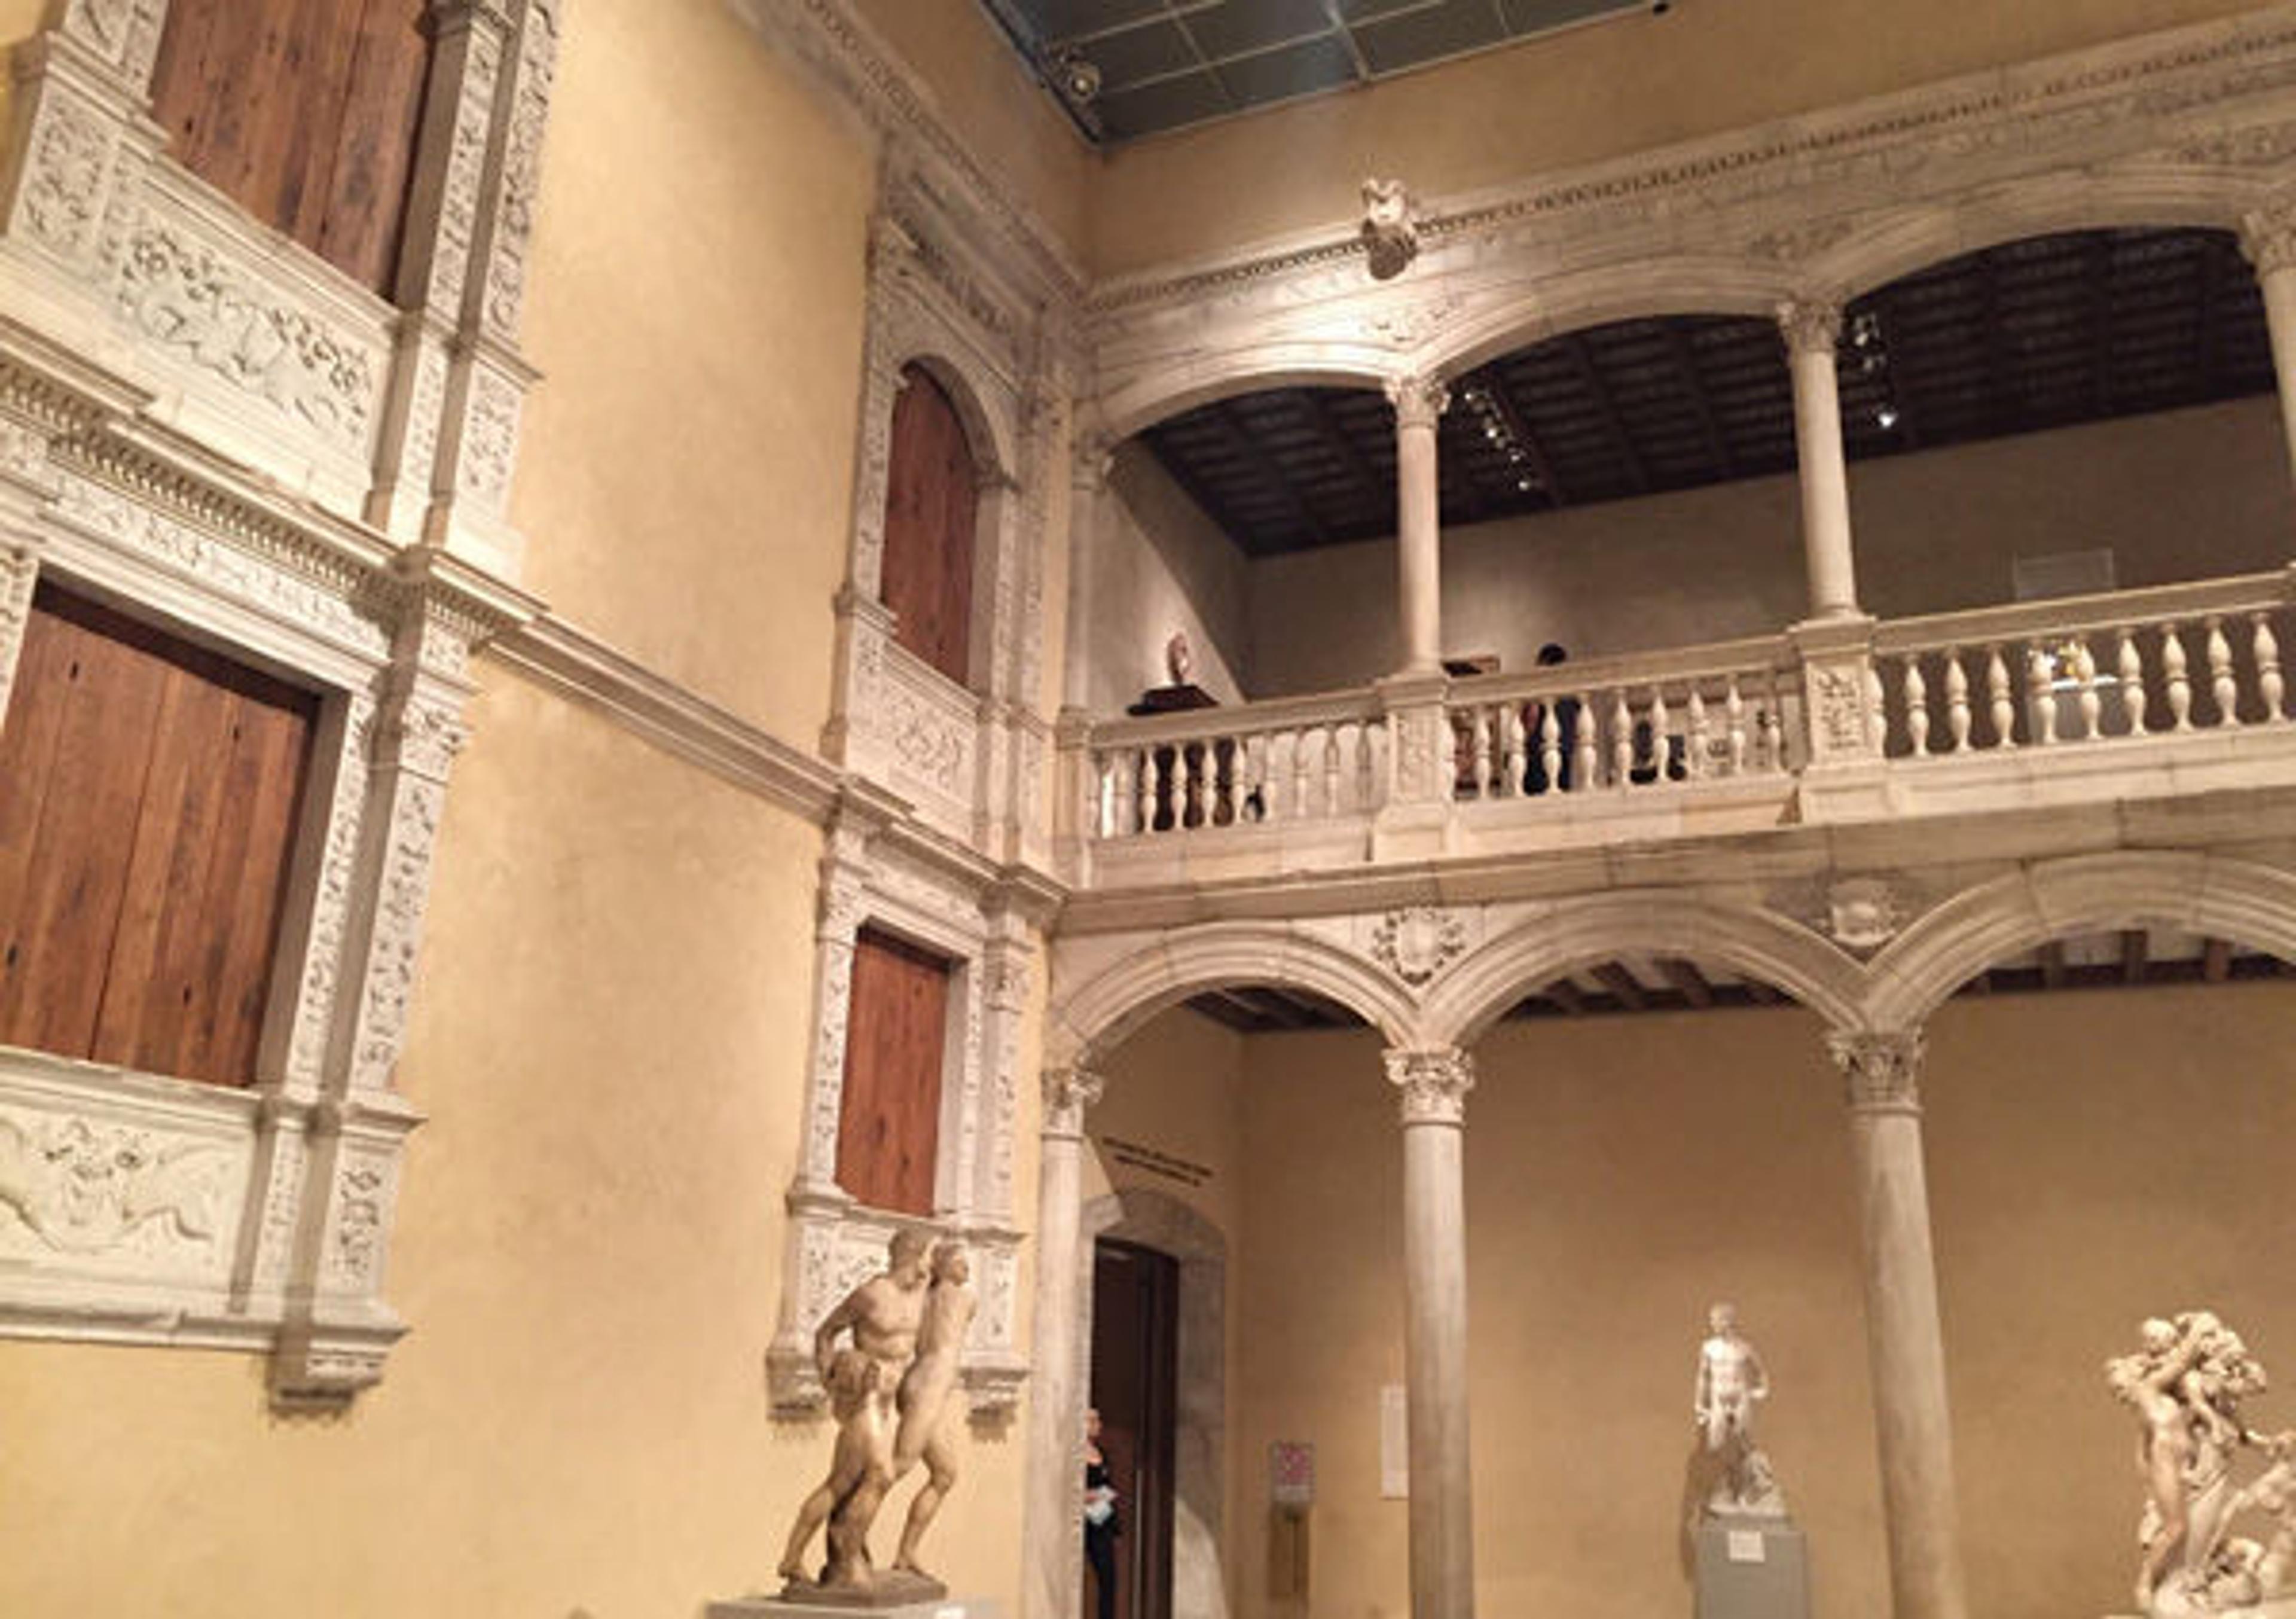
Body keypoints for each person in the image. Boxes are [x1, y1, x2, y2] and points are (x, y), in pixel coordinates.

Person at [778, 1227, 934, 1590]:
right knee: (873, 1477)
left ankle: (805, 1556)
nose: (928, 1266)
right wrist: (829, 1380)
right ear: (911, 1256)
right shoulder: (870, 1295)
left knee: (846, 1484)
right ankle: (841, 1557)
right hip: (864, 1401)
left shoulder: (917, 1294)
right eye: (926, 1256)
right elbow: (825, 1333)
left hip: (885, 1407)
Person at [891, 1241, 977, 1579]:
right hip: (928, 1387)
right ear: (944, 1266)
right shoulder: (964, 1297)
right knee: (898, 1466)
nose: (967, 1269)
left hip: (916, 1381)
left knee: (945, 1474)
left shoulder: (923, 1297)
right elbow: (967, 1309)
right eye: (960, 1262)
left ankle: (905, 1554)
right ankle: (848, 1534)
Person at [1693, 1301, 1784, 1515]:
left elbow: (1761, 1371)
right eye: (1712, 1320)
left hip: (1740, 1396)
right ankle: (1723, 1489)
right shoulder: (1709, 1347)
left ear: (1727, 1320)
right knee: (1717, 1445)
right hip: (1719, 1397)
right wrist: (1699, 1403)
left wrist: (1761, 1391)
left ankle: (1747, 1491)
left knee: (1744, 1443)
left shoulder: (1744, 1348)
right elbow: (1703, 1377)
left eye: (1715, 1320)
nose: (1713, 1324)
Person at [1083, 1406, 1119, 1619]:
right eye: (1093, 1421)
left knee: (1108, 1576)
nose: (1099, 1425)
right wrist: (1085, 1496)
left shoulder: (1101, 1453)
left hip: (1102, 1519)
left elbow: (1107, 1484)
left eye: (1098, 1420)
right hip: (1082, 1521)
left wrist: (1105, 1495)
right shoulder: (1074, 1454)